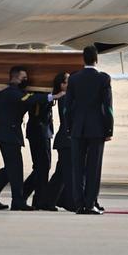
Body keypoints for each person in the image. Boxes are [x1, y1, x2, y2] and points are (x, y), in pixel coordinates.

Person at [0, 66, 61, 211]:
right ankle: (16, 201)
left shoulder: (14, 92)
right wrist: (52, 96)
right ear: (14, 78)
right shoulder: (12, 92)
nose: (26, 80)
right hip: (8, 135)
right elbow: (29, 99)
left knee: (11, 169)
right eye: (23, 78)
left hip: (9, 135)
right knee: (15, 169)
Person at [65, 46, 114, 214]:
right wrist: (109, 129)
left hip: (78, 128)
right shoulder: (103, 79)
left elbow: (67, 107)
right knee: (94, 168)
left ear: (83, 59)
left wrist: (69, 127)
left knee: (77, 168)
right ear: (97, 59)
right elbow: (108, 107)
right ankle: (90, 203)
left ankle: (78, 203)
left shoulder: (74, 78)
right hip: (97, 129)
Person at [23, 73, 56, 211]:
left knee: (42, 166)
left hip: (42, 129)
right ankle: (36, 198)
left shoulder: (39, 89)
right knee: (42, 166)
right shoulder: (36, 92)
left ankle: (30, 196)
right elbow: (36, 103)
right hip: (38, 129)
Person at [43, 72, 72, 210]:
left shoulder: (65, 97)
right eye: (68, 81)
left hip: (64, 139)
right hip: (66, 140)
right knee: (66, 173)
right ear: (62, 85)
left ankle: (49, 200)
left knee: (61, 173)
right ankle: (56, 201)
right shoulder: (65, 97)